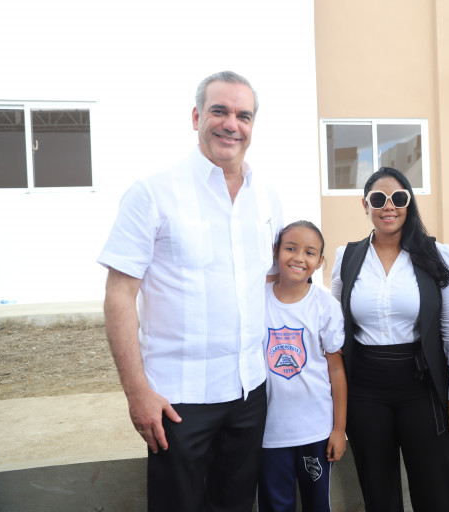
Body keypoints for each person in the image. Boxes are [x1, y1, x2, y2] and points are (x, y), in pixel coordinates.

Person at [97, 71, 283, 512]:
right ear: (197, 117)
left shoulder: (267, 198)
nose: (231, 124)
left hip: (249, 393)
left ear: (252, 126)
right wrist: (137, 393)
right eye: (219, 111)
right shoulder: (152, 193)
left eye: (243, 115)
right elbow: (119, 295)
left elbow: (269, 282)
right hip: (177, 400)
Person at [330, 167, 449, 512]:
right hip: (365, 389)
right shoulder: (346, 257)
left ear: (409, 203)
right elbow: (333, 330)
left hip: (422, 386)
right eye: (378, 199)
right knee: (378, 492)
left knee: (437, 490)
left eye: (398, 198)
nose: (389, 206)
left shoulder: (438, 254)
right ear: (365, 204)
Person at [258, 220, 347, 512]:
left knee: (317, 505)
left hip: (316, 431)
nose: (299, 258)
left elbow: (336, 370)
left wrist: (339, 429)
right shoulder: (257, 301)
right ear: (276, 251)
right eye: (291, 248)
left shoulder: (325, 305)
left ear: (320, 262)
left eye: (310, 252)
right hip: (269, 434)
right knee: (275, 506)